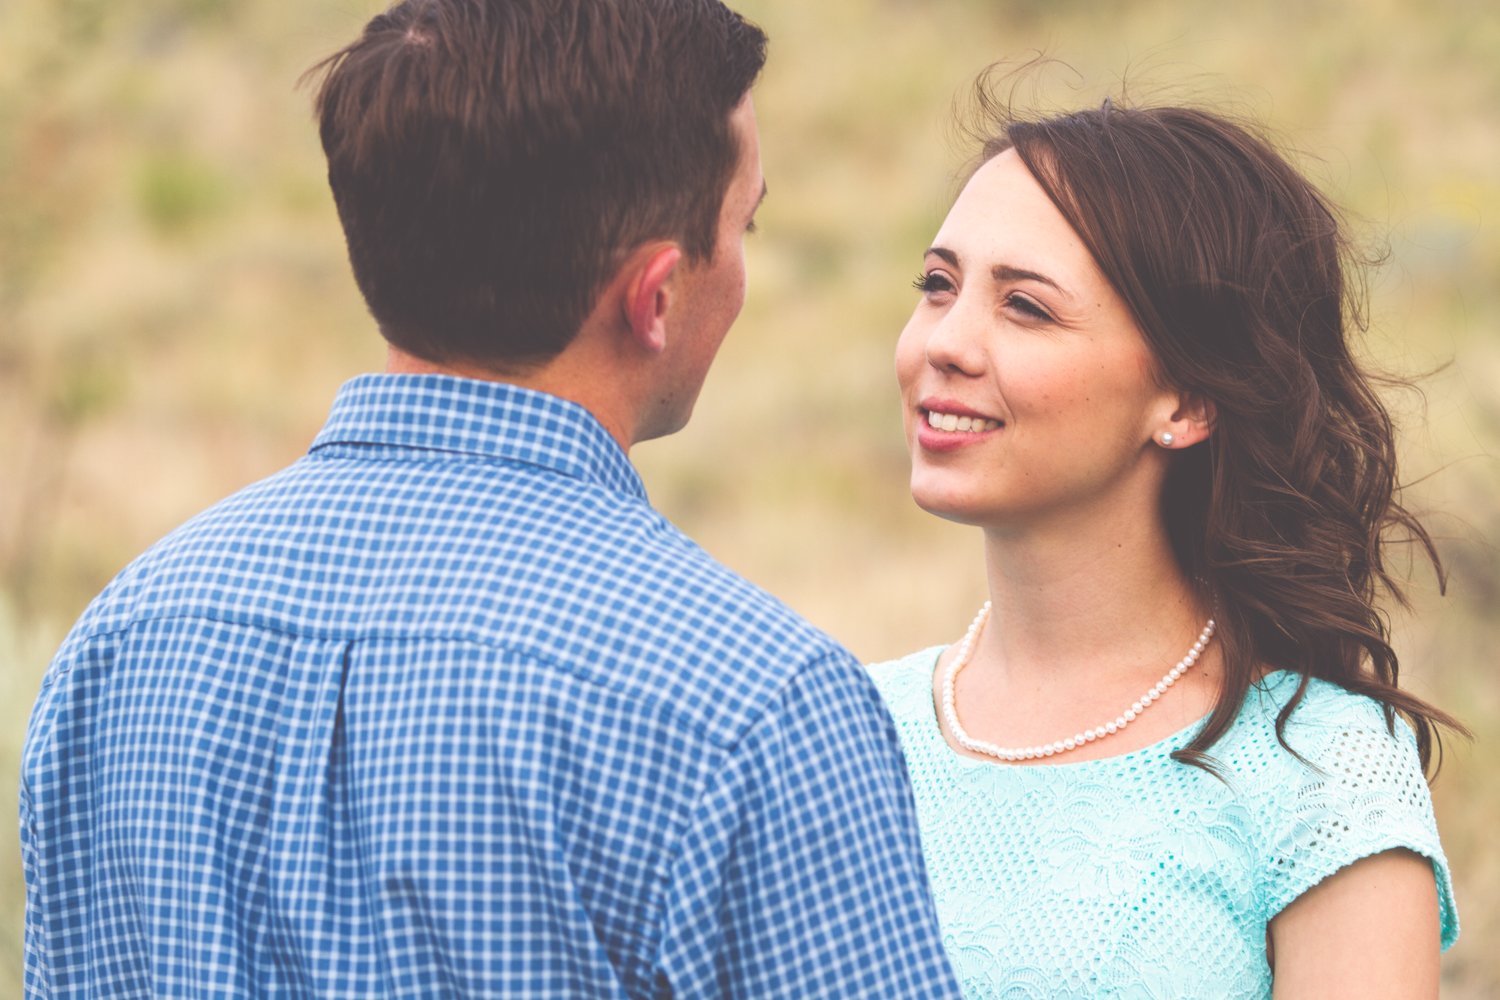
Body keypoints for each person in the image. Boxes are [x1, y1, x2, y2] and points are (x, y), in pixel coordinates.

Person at [19, 2, 964, 997]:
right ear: (654, 297)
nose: (743, 263)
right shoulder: (754, 707)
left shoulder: (122, 636)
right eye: (743, 225)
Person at [868, 88, 1462, 999]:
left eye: (1024, 306)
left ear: (1185, 400)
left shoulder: (1319, 772)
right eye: (938, 286)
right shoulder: (845, 726)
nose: (945, 342)